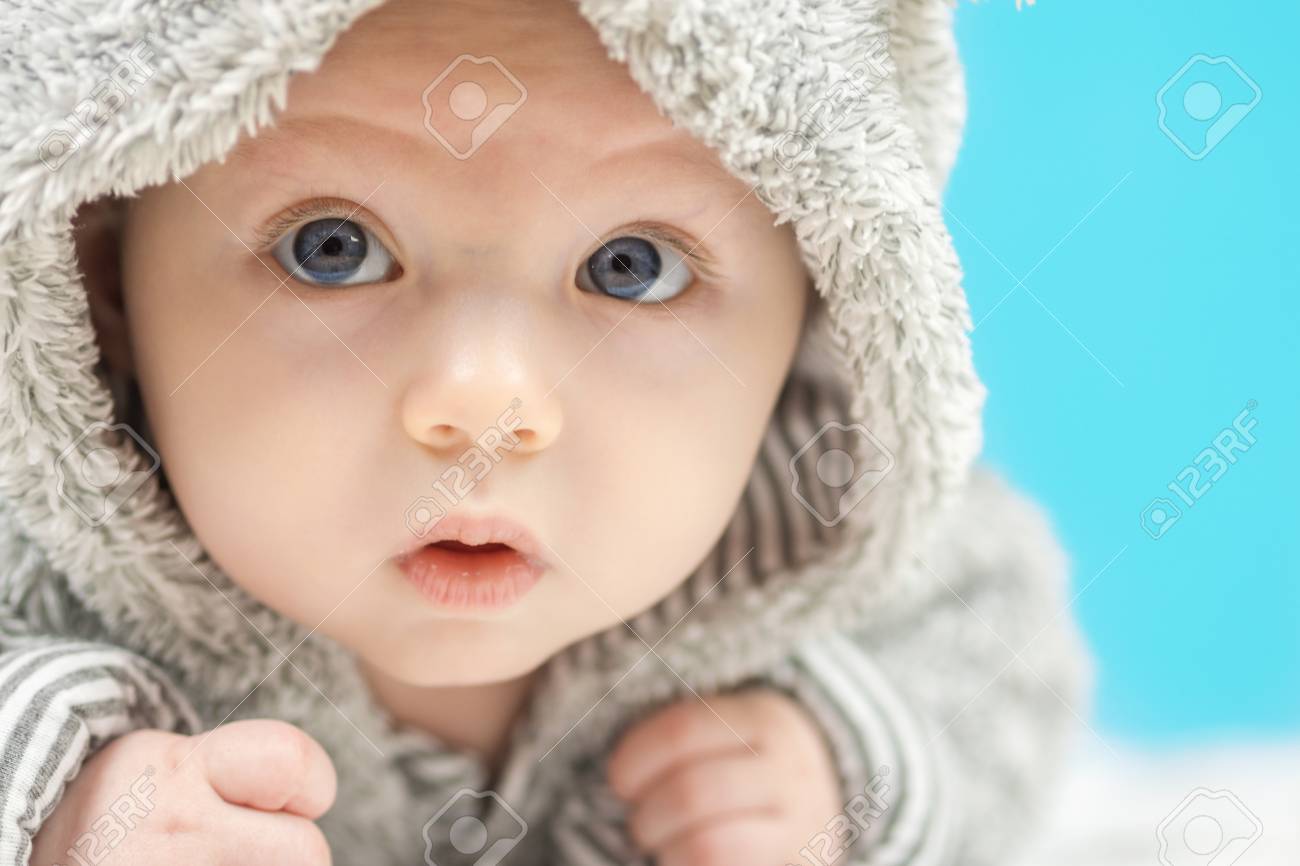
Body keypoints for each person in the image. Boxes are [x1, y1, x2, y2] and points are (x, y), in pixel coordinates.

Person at [0, 0, 1088, 864]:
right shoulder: (37, 575)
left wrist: (843, 778)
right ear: (102, 282)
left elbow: (1006, 684)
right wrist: (61, 817)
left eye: (630, 267)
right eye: (331, 248)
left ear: (823, 304)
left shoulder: (838, 547)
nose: (488, 405)